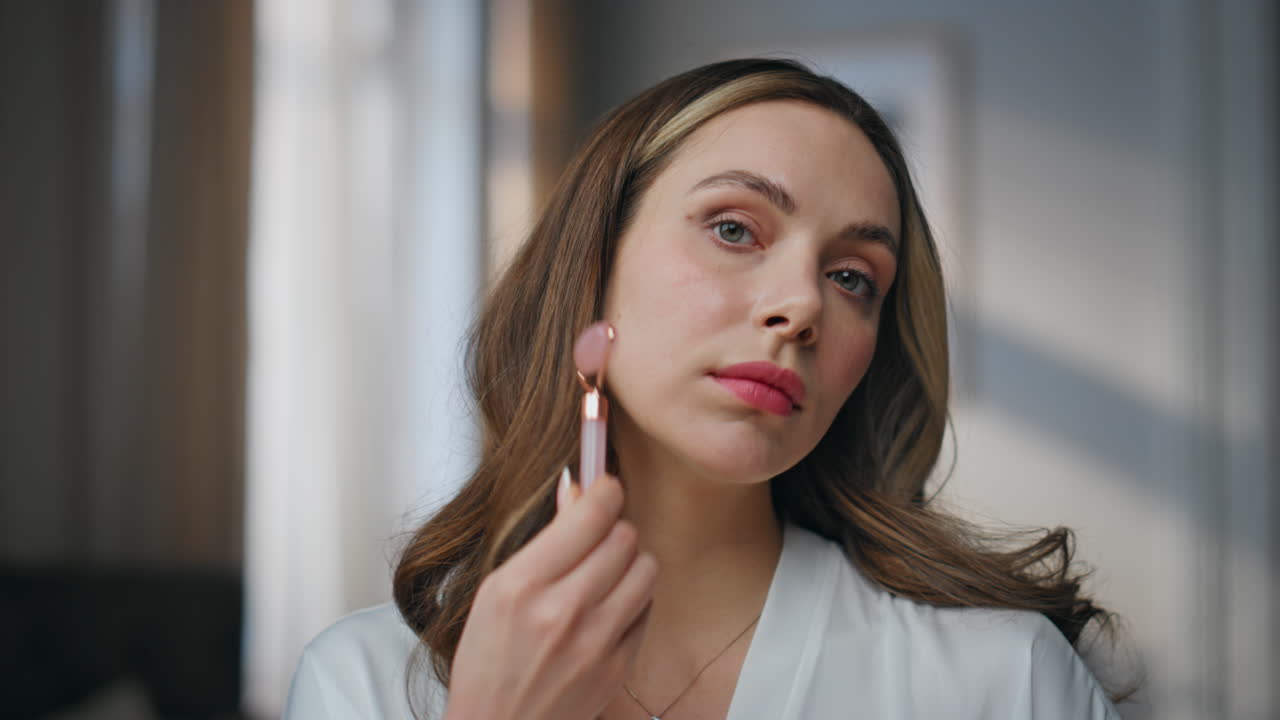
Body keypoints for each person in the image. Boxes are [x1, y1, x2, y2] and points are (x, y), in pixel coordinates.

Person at [284, 58, 1123, 720]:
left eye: (852, 276)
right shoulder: (363, 683)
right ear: (594, 268)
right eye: (733, 229)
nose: (801, 306)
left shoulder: (1003, 680)